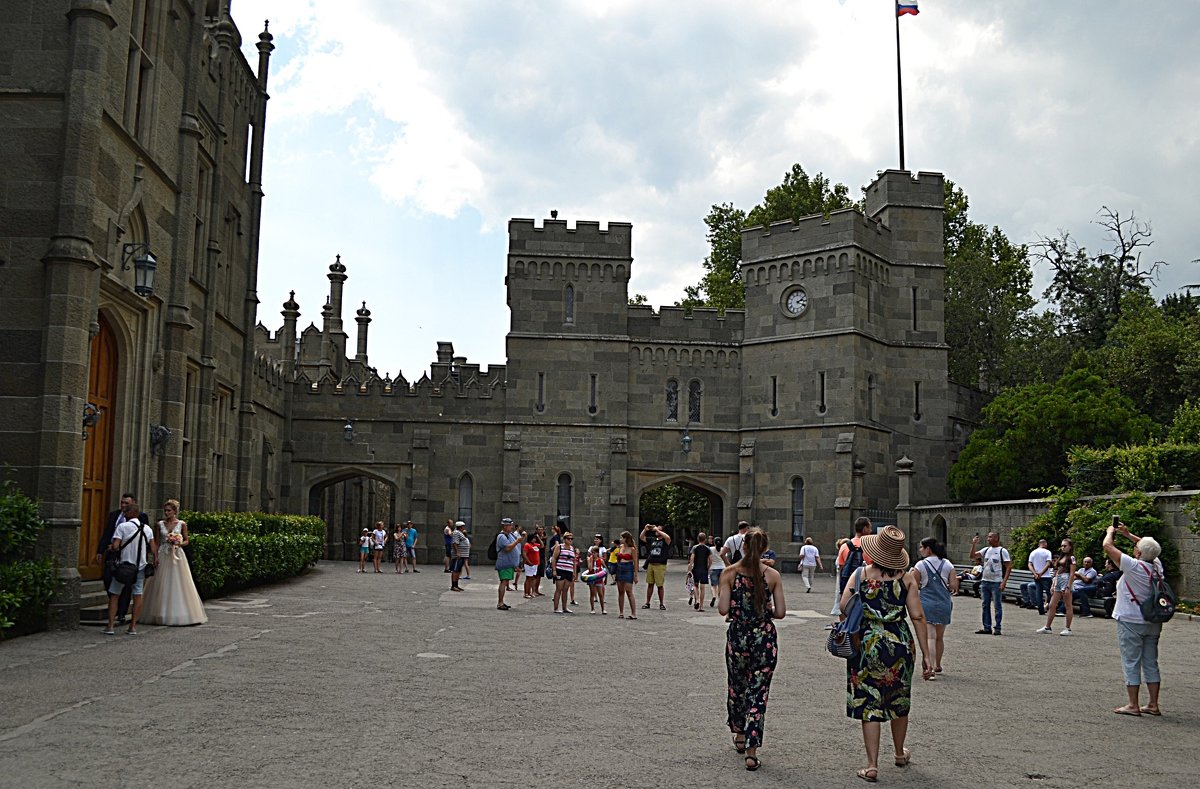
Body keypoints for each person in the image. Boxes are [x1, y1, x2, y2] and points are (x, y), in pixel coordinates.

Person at [839, 525, 934, 783]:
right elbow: (917, 615)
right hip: (899, 643)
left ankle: (871, 765)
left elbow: (844, 607)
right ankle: (900, 753)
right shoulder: (906, 578)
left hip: (866, 643)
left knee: (869, 702)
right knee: (898, 698)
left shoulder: (859, 575)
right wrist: (927, 654)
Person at [718, 528, 786, 772]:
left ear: (743, 547)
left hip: (738, 637)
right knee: (759, 691)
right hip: (764, 638)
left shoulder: (729, 573)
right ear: (765, 548)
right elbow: (780, 612)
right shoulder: (772, 575)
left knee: (737, 685)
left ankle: (738, 733)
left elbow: (723, 609)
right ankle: (752, 750)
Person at [1104, 520, 1165, 717]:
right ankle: (1153, 704)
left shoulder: (1133, 566)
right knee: (1150, 661)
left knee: (1131, 660)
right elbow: (1152, 550)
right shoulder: (1156, 566)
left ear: (1138, 553)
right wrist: (1129, 535)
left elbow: (1107, 546)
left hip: (1130, 619)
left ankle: (1133, 704)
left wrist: (1110, 532)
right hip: (1153, 621)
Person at [141, 499, 208, 626]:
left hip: (177, 555)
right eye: (165, 510)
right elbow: (155, 541)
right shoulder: (159, 524)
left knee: (178, 582)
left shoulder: (181, 524)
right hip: (163, 553)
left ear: (175, 511)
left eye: (169, 510)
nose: (166, 513)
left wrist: (178, 543)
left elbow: (187, 540)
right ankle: (158, 612)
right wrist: (154, 557)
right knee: (160, 583)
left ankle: (179, 612)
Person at [103, 510, 157, 635]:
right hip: (140, 566)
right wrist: (154, 558)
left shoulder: (122, 527)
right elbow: (153, 548)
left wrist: (111, 547)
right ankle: (132, 627)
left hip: (124, 566)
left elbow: (116, 546)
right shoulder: (147, 529)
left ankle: (110, 626)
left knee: (115, 594)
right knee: (137, 595)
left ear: (129, 514)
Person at [912, 537, 958, 677]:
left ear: (928, 549)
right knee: (939, 637)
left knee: (930, 637)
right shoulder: (948, 564)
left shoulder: (920, 565)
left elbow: (914, 585)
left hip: (927, 603)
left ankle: (930, 667)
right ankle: (938, 664)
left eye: (921, 547)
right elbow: (953, 587)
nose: (920, 550)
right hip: (944, 602)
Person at [95, 493, 141, 625]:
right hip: (112, 553)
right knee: (108, 578)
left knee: (126, 583)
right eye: (122, 503)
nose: (123, 506)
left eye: (127, 503)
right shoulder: (114, 515)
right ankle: (115, 603)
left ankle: (121, 612)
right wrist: (100, 550)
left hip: (128, 555)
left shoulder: (140, 517)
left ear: (133, 504)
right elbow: (107, 533)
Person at [970, 532, 1011, 635]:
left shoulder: (1002, 551)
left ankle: (997, 627)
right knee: (985, 605)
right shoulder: (986, 550)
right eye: (988, 536)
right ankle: (987, 627)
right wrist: (974, 544)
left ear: (996, 538)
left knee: (997, 605)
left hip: (996, 582)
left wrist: (1004, 582)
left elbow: (1008, 567)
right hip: (985, 581)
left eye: (990, 537)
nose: (988, 539)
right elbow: (972, 556)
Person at [1035, 538, 1076, 636]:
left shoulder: (1071, 558)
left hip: (1066, 580)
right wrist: (1053, 584)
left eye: (1065, 546)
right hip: (1059, 579)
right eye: (1062, 546)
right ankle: (1047, 626)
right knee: (1052, 605)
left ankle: (1068, 628)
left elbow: (1072, 573)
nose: (1063, 548)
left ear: (1070, 546)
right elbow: (1057, 572)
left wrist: (1068, 586)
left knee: (1068, 605)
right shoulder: (1062, 557)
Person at [641, 523, 672, 610]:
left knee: (660, 585)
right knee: (650, 584)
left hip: (660, 565)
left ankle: (661, 603)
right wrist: (645, 529)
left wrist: (657, 529)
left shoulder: (665, 541)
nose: (655, 531)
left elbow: (668, 537)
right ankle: (647, 602)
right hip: (651, 564)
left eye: (658, 530)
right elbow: (641, 537)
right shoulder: (653, 540)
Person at [494, 517, 523, 611]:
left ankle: (502, 601)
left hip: (509, 563)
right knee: (504, 582)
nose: (511, 527)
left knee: (505, 581)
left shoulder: (510, 535)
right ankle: (500, 602)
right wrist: (517, 542)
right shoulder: (501, 536)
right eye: (509, 525)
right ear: (504, 526)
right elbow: (507, 548)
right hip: (504, 563)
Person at [1020, 538, 1053, 614]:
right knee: (1050, 593)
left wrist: (1035, 573)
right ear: (1045, 544)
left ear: (1038, 544)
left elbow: (1030, 564)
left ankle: (1041, 610)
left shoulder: (1033, 552)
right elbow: (1048, 564)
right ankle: (1051, 608)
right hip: (1046, 576)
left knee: (1039, 593)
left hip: (1036, 576)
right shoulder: (1047, 552)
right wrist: (1041, 573)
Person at [550, 531, 579, 614]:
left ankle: (564, 607)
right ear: (564, 539)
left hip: (569, 571)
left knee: (565, 590)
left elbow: (574, 561)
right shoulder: (559, 547)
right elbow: (554, 558)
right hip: (560, 570)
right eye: (568, 538)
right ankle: (556, 608)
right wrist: (554, 570)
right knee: (559, 589)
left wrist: (574, 572)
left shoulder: (572, 548)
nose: (570, 540)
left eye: (571, 539)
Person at [615, 531, 639, 619]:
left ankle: (634, 613)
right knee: (620, 591)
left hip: (628, 568)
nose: (620, 539)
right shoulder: (620, 547)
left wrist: (635, 575)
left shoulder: (632, 549)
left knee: (629, 591)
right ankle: (621, 612)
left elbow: (636, 562)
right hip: (620, 568)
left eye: (622, 538)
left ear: (625, 538)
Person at [688, 532, 712, 611]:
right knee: (703, 587)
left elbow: (692, 558)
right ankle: (701, 606)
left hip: (696, 568)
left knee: (695, 585)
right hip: (704, 569)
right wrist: (708, 568)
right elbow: (710, 560)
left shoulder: (695, 547)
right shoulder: (707, 548)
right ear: (705, 539)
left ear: (698, 539)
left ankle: (697, 600)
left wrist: (690, 568)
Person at [586, 535, 608, 614]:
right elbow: (590, 569)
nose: (593, 554)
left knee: (601, 594)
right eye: (592, 553)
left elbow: (605, 569)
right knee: (592, 593)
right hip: (592, 577)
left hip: (599, 578)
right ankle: (592, 608)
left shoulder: (601, 560)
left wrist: (606, 578)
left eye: (594, 553)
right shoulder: (590, 559)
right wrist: (591, 560)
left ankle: (603, 609)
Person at [449, 521, 470, 591]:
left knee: (458, 570)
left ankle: (456, 585)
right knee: (455, 570)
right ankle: (453, 586)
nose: (464, 527)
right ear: (461, 527)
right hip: (458, 556)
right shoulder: (456, 533)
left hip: (462, 555)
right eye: (463, 526)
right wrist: (457, 552)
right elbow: (455, 543)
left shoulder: (459, 533)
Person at [522, 533, 542, 599]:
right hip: (529, 564)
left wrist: (538, 538)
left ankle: (530, 592)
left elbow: (542, 545)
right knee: (528, 578)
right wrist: (529, 562)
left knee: (533, 578)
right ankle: (526, 593)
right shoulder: (527, 545)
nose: (534, 539)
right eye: (533, 538)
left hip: (535, 564)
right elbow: (524, 554)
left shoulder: (535, 545)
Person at [707, 534, 724, 609]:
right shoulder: (723, 549)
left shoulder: (710, 549)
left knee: (714, 585)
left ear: (714, 542)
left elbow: (709, 559)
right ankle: (721, 600)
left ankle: (714, 596)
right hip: (722, 567)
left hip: (713, 568)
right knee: (721, 585)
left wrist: (708, 567)